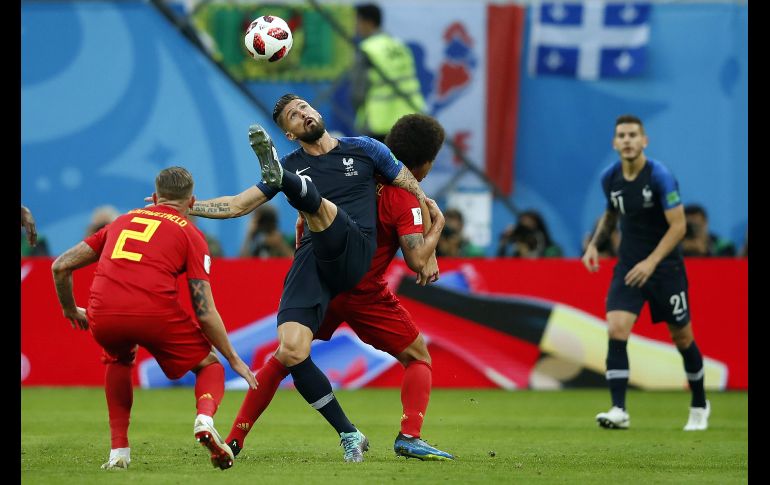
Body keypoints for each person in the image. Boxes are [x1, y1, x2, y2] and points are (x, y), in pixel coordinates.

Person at [188, 94, 433, 463]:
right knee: (289, 350)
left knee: (322, 211)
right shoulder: (293, 161)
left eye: (303, 107)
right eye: (292, 116)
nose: (302, 114)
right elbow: (238, 205)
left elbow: (412, 188)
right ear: (288, 133)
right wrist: (188, 206)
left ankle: (296, 189)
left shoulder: (365, 149)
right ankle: (239, 440)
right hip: (314, 263)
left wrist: (431, 231)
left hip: (354, 250)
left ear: (316, 112)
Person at [51, 167, 257, 470]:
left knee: (118, 359)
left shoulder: (120, 221)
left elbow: (60, 266)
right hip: (154, 311)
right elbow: (204, 310)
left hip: (103, 311)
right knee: (209, 364)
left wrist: (70, 309)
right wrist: (233, 357)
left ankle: (119, 452)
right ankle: (204, 418)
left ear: (155, 196)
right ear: (192, 201)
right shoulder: (191, 233)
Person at [582, 115, 710, 431]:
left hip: (665, 269)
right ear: (615, 143)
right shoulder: (609, 178)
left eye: (633, 135)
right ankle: (619, 409)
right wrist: (595, 245)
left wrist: (651, 262)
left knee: (682, 337)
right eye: (621, 135)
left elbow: (679, 227)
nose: (627, 140)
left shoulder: (661, 177)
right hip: (628, 266)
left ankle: (699, 403)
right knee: (616, 329)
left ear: (644, 141)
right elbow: (611, 215)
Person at [351, 3, 425, 142]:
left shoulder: (367, 49)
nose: (355, 27)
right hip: (410, 117)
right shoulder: (399, 45)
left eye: (357, 21)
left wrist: (359, 115)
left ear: (368, 22)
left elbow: (358, 92)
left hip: (379, 122)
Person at [497, 210, 563, 258]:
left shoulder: (550, 248)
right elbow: (500, 264)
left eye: (529, 222)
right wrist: (504, 241)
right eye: (522, 225)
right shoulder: (516, 244)